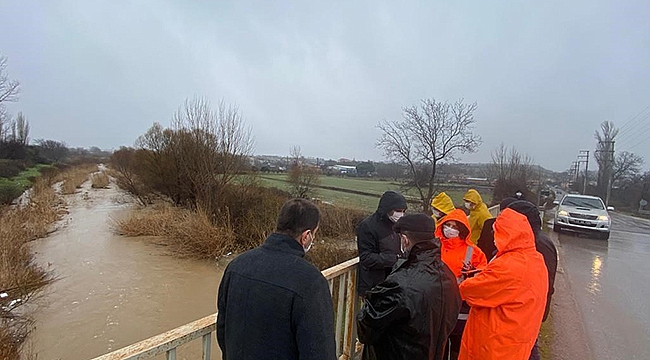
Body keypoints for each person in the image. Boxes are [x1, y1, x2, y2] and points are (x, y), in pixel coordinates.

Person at [216, 198, 336, 360]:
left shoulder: (236, 265)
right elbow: (319, 352)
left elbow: (222, 330)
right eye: (314, 233)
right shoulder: (311, 281)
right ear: (306, 236)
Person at [357, 213, 461, 360]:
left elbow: (365, 329)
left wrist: (374, 297)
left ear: (405, 240)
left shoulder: (400, 284)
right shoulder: (448, 276)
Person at [458, 209, 549, 360]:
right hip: (518, 337)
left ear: (507, 234)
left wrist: (467, 281)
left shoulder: (509, 265)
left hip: (495, 343)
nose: (494, 237)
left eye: (496, 232)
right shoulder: (535, 259)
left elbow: (471, 291)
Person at [503, 200, 558, 360]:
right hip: (527, 308)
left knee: (527, 349)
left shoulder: (536, 243)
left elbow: (541, 282)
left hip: (527, 310)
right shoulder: (534, 239)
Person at [435, 209, 487, 360]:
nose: (449, 229)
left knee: (459, 346)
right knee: (440, 346)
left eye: (454, 226)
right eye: (447, 225)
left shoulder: (474, 252)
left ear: (462, 229)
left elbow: (484, 276)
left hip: (462, 305)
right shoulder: (435, 246)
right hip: (439, 304)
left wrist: (472, 274)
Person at [356, 191, 407, 297]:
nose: (401, 214)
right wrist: (395, 259)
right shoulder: (367, 226)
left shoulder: (397, 225)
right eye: (398, 211)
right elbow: (366, 257)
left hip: (392, 283)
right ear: (387, 209)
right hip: (373, 286)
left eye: (403, 211)